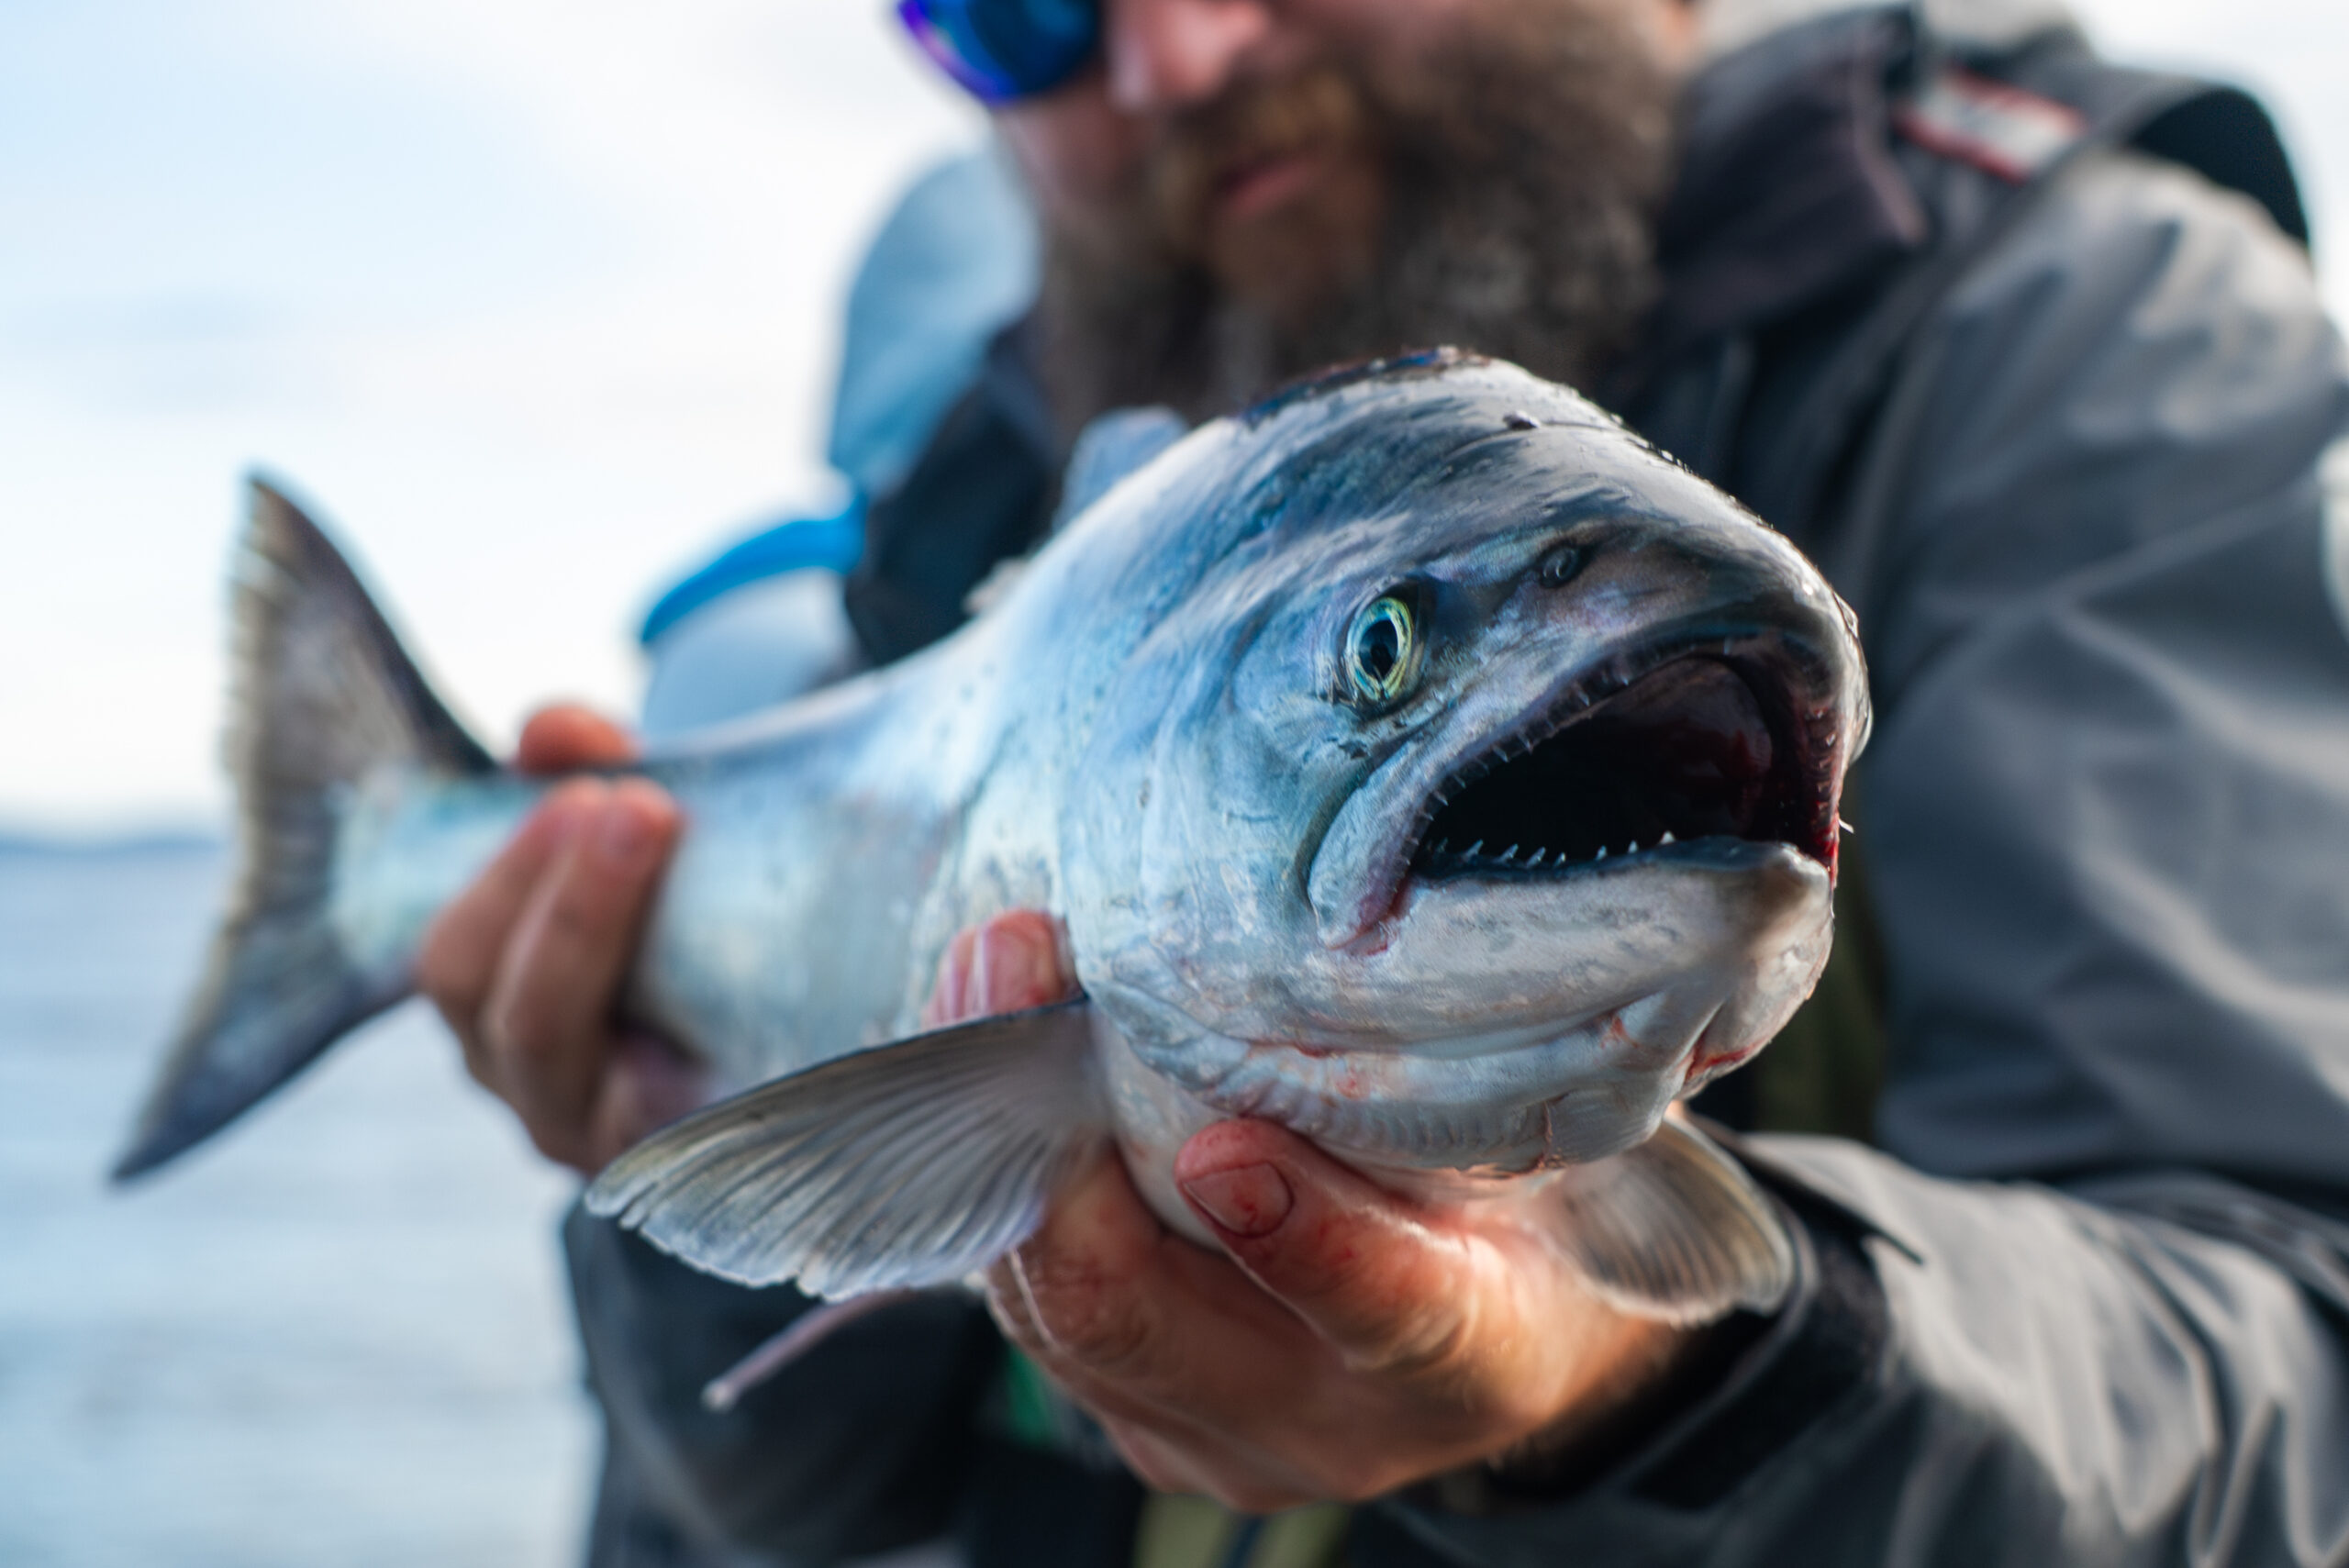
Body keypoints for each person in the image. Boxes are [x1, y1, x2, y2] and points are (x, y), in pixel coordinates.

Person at [417, 0, 2349, 1562]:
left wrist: (1671, 1381)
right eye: (1019, 14)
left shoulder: (2094, 350)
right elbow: (783, 1506)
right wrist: (680, 1203)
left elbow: (2294, 1393)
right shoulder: (952, 516)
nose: (1175, 52)